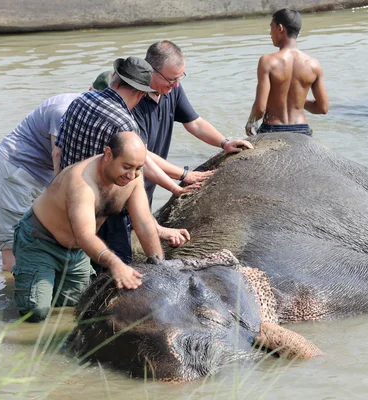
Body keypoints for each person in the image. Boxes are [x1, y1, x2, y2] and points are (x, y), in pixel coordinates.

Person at [55, 56, 194, 269]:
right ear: (140, 93)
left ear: (115, 79)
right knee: (113, 274)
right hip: (103, 212)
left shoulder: (79, 101)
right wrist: (177, 187)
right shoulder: (124, 123)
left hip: (66, 202)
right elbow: (131, 178)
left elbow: (59, 150)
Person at [13, 132, 165, 322]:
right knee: (35, 312)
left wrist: (159, 265)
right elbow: (84, 235)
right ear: (108, 154)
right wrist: (115, 263)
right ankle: (24, 281)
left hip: (76, 252)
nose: (132, 175)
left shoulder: (133, 179)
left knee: (73, 310)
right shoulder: (82, 182)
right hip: (40, 241)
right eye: (126, 167)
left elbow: (143, 222)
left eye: (138, 168)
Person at [0, 71, 113, 271]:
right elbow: (58, 158)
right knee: (14, 251)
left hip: (38, 177)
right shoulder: (64, 110)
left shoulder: (86, 114)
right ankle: (11, 299)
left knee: (38, 244)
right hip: (13, 174)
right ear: (89, 93)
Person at [133, 40, 254, 206]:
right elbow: (142, 154)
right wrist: (184, 175)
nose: (176, 85)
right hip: (129, 181)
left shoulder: (172, 89)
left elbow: (194, 122)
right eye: (171, 79)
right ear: (150, 72)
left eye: (179, 77)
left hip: (149, 183)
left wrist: (224, 143)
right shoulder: (134, 100)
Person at [245, 8, 329, 136]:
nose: (270, 33)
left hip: (273, 128)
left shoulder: (267, 61)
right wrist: (298, 100)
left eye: (271, 28)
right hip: (302, 129)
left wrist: (250, 122)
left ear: (280, 28)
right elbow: (322, 108)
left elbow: (260, 109)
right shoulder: (314, 64)